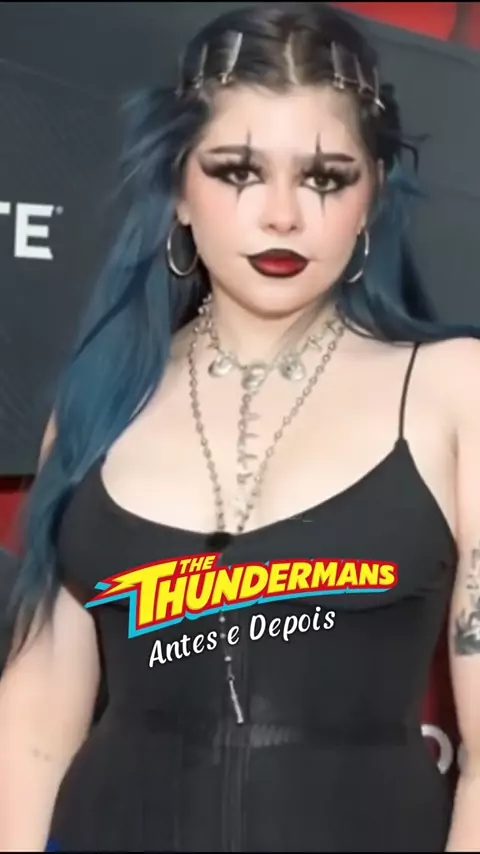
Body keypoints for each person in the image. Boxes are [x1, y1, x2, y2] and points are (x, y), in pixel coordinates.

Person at [1, 2, 480, 851]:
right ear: (178, 191)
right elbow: (36, 723)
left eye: (325, 177)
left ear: (371, 196)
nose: (282, 213)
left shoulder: (453, 391)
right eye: (236, 171)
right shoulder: (97, 402)